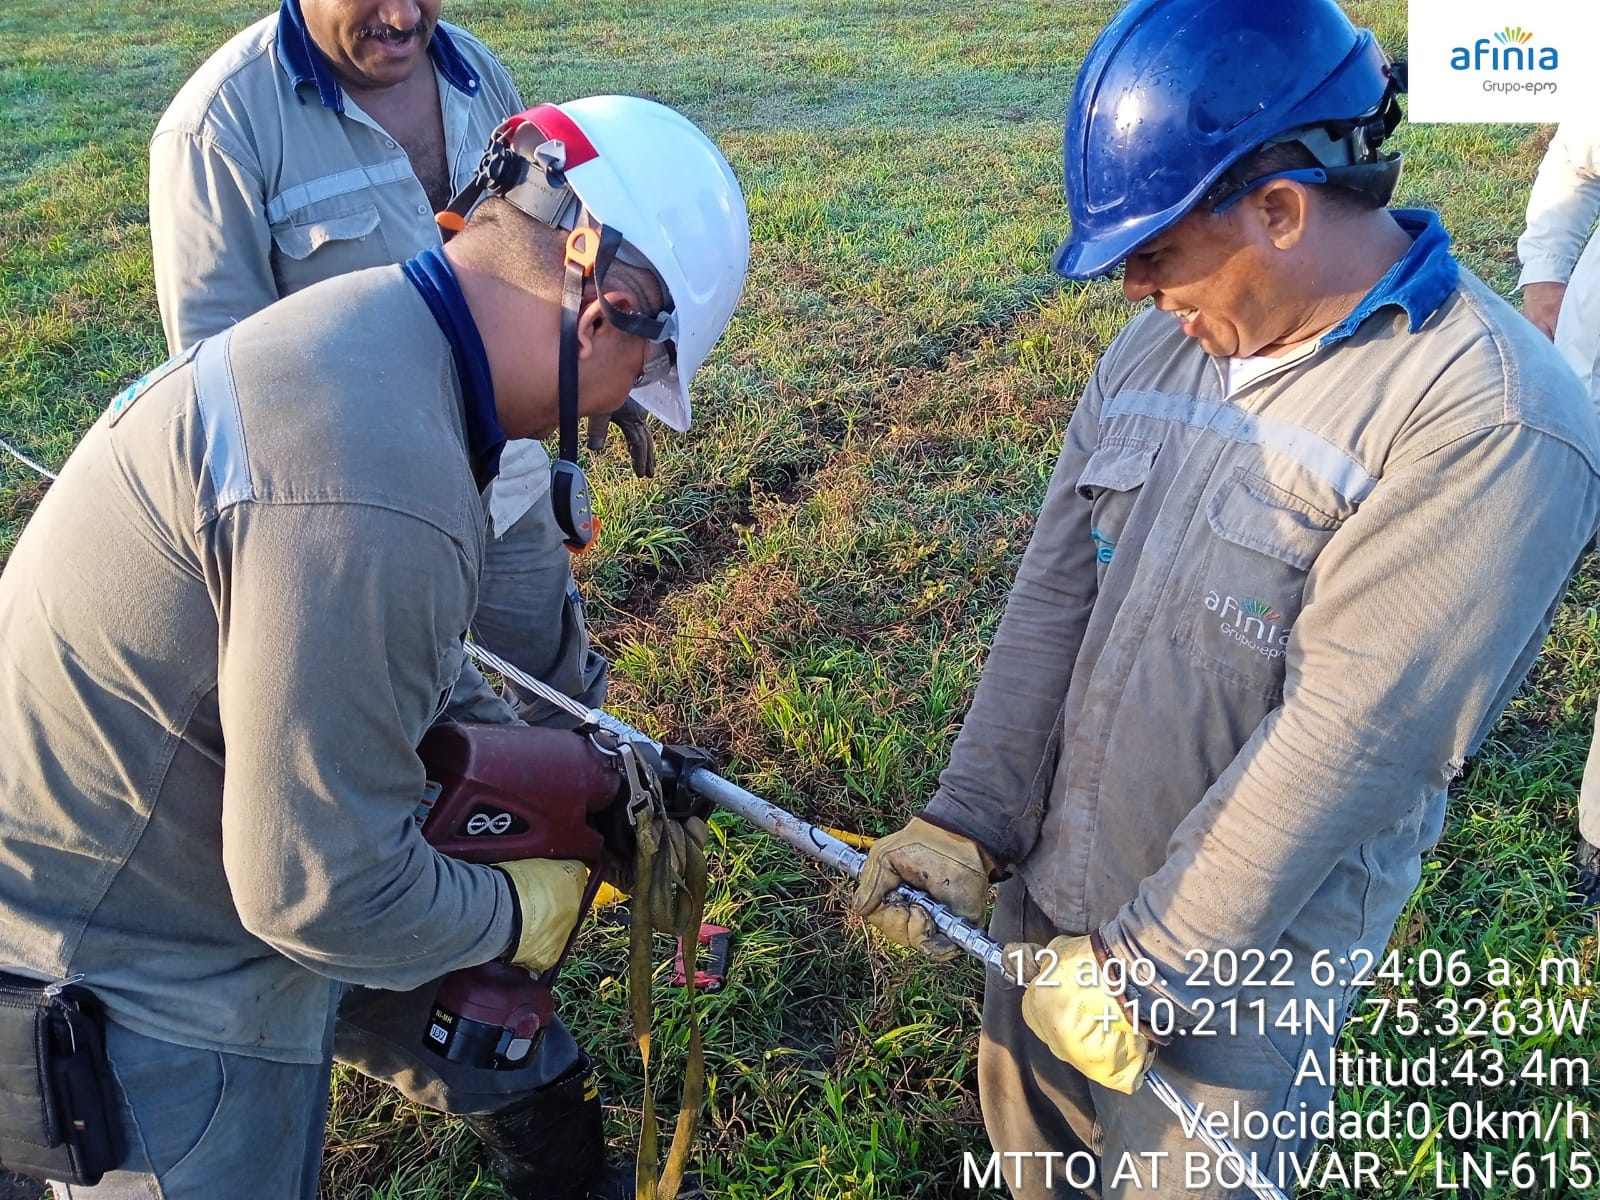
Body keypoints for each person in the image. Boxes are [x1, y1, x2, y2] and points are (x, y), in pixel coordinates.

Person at [851, 2, 1600, 1197]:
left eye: (1154, 250)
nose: (1133, 286)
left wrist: (1147, 969)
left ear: (1281, 210)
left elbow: (1352, 738)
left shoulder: (1485, 418)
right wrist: (971, 818)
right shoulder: (1159, 352)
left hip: (1227, 992)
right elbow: (1053, 595)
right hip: (1047, 913)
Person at [0, 94, 748, 1200]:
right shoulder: (374, 484)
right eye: (640, 389)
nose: (624, 411)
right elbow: (319, 890)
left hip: (172, 829)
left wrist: (566, 782)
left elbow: (383, 661)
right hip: (122, 959)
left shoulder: (374, 344)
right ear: (607, 313)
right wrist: (519, 906)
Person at [145, 4, 664, 1196]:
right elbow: (232, 398)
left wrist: (595, 387)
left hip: (502, 481)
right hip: (339, 528)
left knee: (545, 748)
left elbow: (545, 255)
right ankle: (459, 950)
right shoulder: (219, 131)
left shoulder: (474, 69)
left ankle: (499, 958)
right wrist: (498, 920)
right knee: (359, 798)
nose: (403, 15)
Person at [1515, 120, 1600, 910]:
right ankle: (1425, 735)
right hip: (1588, 378)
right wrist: (1546, 274)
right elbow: (1581, 156)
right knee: (1512, 560)